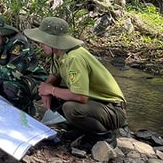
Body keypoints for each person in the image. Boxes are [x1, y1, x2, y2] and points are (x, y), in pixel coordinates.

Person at [23, 17, 127, 150]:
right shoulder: (59, 54)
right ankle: (81, 130)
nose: (40, 44)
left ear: (53, 41)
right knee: (54, 95)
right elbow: (54, 75)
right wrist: (45, 90)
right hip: (97, 104)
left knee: (70, 108)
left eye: (43, 41)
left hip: (113, 110)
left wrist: (51, 90)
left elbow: (81, 97)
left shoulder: (74, 57)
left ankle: (103, 136)